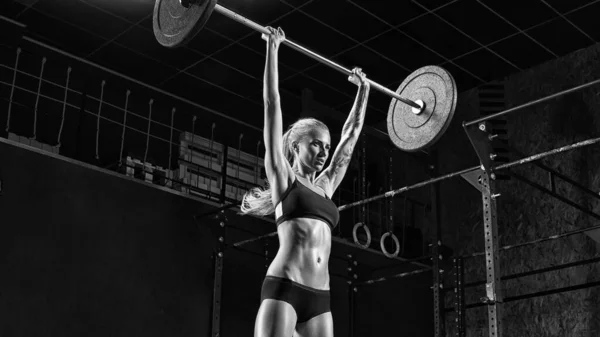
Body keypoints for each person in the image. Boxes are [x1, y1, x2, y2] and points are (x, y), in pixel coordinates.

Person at [240, 26, 370, 337]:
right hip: (285, 287)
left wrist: (363, 91)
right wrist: (273, 50)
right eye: (316, 144)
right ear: (297, 146)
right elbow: (272, 104)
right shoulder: (284, 177)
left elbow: (349, 139)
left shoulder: (326, 186)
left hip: (320, 299)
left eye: (326, 146)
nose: (325, 151)